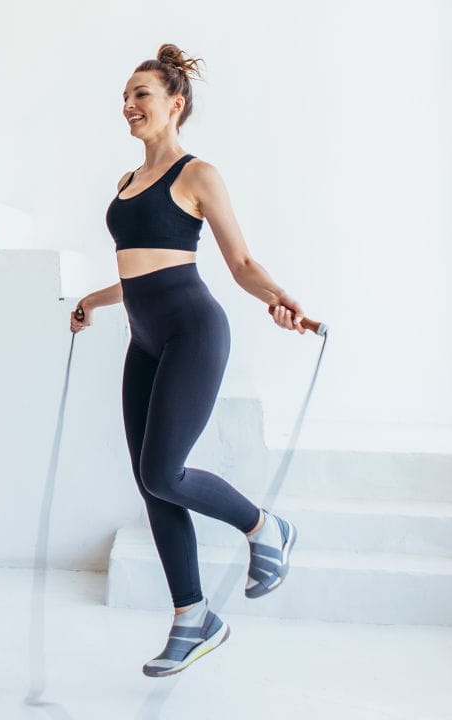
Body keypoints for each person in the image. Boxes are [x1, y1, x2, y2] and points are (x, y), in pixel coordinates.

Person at [70, 43, 309, 678]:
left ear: (175, 104)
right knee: (151, 483)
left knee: (165, 472)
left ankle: (265, 528)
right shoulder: (127, 183)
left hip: (193, 332)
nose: (128, 105)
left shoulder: (198, 174)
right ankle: (192, 619)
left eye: (140, 94)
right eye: (125, 95)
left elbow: (240, 264)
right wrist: (94, 301)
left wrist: (281, 301)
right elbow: (142, 270)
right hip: (143, 337)